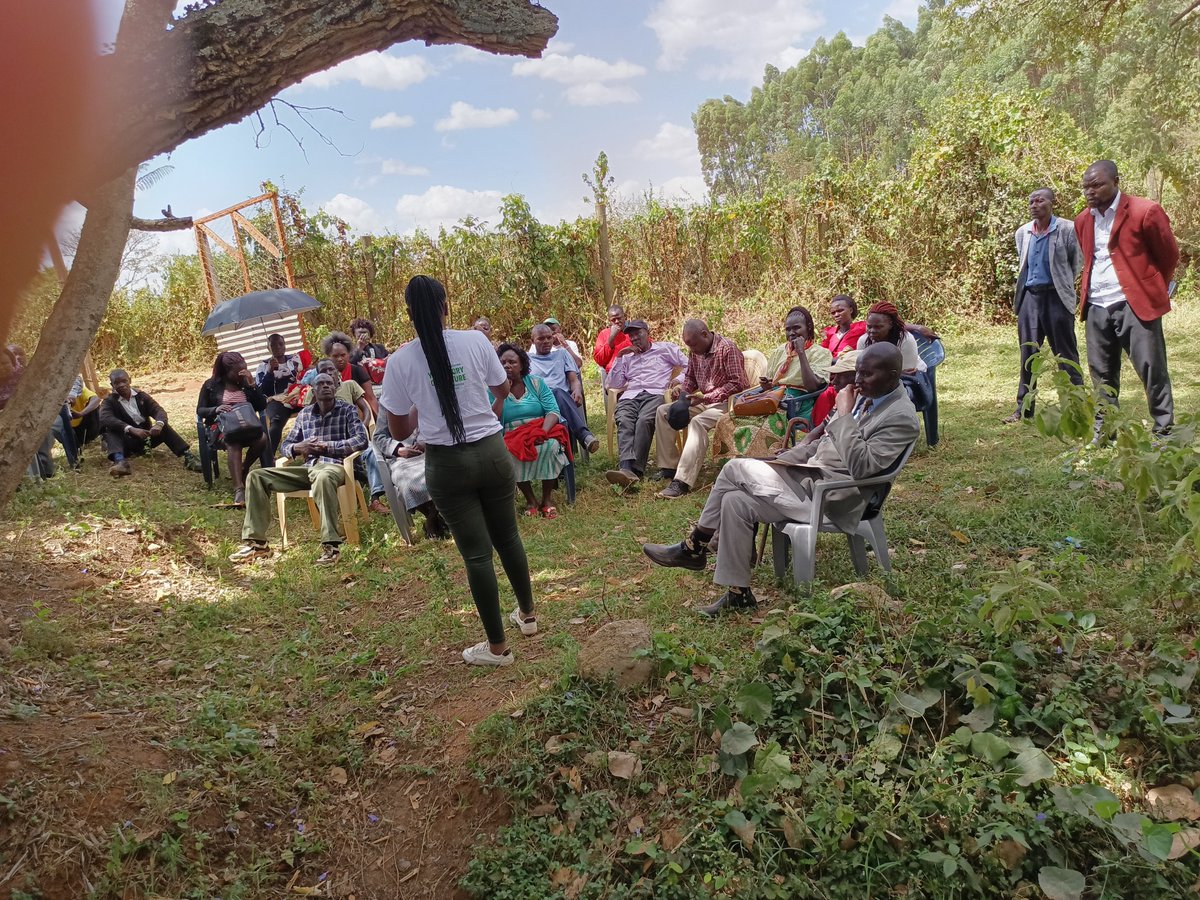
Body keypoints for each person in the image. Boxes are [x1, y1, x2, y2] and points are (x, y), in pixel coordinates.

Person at [642, 343, 919, 616]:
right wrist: (786, 457)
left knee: (733, 469)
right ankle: (738, 593)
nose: (857, 380)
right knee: (735, 501)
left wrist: (844, 415)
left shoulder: (900, 417)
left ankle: (694, 546)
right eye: (857, 372)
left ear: (893, 375)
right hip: (808, 478)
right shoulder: (866, 395)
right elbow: (822, 442)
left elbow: (864, 468)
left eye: (867, 374)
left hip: (833, 496)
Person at [380, 275, 537, 667]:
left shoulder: (399, 362)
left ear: (409, 314)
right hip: (492, 453)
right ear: (445, 306)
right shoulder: (475, 340)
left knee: (477, 556)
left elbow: (399, 430)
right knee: (509, 537)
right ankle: (528, 616)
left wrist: (422, 401)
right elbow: (501, 390)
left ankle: (498, 648)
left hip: (447, 465)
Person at [1075, 159, 1179, 436]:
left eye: (1097, 185)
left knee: (1151, 369)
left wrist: (1152, 286)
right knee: (1101, 374)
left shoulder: (1145, 211)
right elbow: (1090, 260)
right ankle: (1105, 431)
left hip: (1135, 304)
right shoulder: (1083, 220)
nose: (1090, 191)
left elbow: (1168, 256)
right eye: (1086, 186)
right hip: (1096, 304)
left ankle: (1164, 430)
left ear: (1116, 182)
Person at [230, 371, 369, 568]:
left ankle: (331, 546)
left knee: (322, 476)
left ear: (337, 387)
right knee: (256, 476)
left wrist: (328, 446)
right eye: (321, 384)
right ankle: (257, 544)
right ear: (313, 390)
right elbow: (285, 446)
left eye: (330, 383)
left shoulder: (347, 410)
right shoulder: (305, 414)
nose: (326, 386)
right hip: (308, 470)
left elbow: (361, 440)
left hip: (334, 467)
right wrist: (299, 447)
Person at [1004, 188, 1084, 423]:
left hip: (1057, 297)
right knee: (1029, 354)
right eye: (1031, 201)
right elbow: (1023, 262)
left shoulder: (1067, 229)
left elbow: (1076, 263)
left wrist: (1062, 284)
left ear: (1052, 202)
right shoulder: (1023, 232)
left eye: (1040, 200)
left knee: (1066, 354)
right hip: (1030, 299)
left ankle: (1076, 407)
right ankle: (1024, 409)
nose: (1034, 204)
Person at [654, 319, 748, 499]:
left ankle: (682, 481)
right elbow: (690, 378)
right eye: (689, 345)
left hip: (727, 404)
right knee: (663, 411)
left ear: (705, 334)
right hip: (704, 401)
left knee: (697, 423)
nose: (692, 349)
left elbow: (738, 384)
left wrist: (705, 398)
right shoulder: (695, 351)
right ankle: (669, 467)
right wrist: (683, 398)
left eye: (694, 344)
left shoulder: (727, 349)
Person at [604, 320, 688, 487]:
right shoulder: (627, 356)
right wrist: (619, 356)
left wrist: (678, 379)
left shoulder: (665, 349)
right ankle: (626, 466)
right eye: (631, 336)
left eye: (638, 333)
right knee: (624, 419)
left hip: (655, 393)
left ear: (647, 332)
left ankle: (635, 470)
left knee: (644, 421)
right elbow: (613, 384)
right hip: (630, 395)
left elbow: (689, 365)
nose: (635, 338)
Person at [494, 343, 571, 518]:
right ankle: (530, 500)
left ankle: (547, 498)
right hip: (511, 434)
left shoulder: (536, 383)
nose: (507, 366)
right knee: (510, 451)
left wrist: (542, 432)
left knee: (550, 446)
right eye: (503, 362)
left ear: (522, 364)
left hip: (540, 429)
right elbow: (493, 418)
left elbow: (553, 411)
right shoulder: (493, 389)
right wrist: (501, 394)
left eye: (512, 362)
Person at [304, 358, 387, 513]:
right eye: (323, 371)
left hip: (353, 437)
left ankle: (375, 499)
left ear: (337, 372)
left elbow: (365, 407)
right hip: (329, 443)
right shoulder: (313, 392)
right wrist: (317, 394)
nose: (329, 373)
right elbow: (307, 418)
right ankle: (333, 505)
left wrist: (363, 424)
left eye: (331, 370)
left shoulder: (349, 385)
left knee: (372, 452)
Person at [197, 351, 268, 505]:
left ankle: (243, 468)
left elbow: (262, 406)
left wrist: (253, 385)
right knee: (232, 441)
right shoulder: (211, 386)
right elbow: (200, 411)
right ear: (226, 372)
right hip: (221, 428)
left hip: (247, 426)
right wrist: (216, 409)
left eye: (244, 370)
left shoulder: (245, 384)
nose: (241, 375)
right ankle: (239, 489)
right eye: (237, 373)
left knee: (262, 438)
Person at [101, 368, 202, 477]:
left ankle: (188, 457)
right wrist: (130, 429)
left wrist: (158, 425)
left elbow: (158, 410)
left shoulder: (141, 396)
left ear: (130, 380)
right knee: (111, 431)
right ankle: (120, 462)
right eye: (117, 383)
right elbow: (105, 418)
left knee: (164, 427)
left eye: (124, 381)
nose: (121, 385)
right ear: (112, 385)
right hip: (126, 442)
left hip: (146, 438)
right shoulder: (109, 401)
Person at [372, 415, 448, 540]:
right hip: (401, 459)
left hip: (432, 449)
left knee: (444, 474)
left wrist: (426, 442)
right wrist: (399, 450)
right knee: (408, 484)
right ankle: (432, 516)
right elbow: (379, 437)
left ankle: (431, 520)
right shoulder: (388, 404)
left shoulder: (428, 396)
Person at [528, 322, 600, 453]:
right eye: (541, 338)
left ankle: (578, 440)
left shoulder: (562, 354)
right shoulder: (527, 359)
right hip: (539, 400)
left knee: (558, 393)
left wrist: (577, 390)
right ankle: (584, 436)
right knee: (555, 392)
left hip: (562, 397)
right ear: (532, 341)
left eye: (549, 337)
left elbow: (574, 379)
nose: (546, 341)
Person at [256, 333, 305, 452]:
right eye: (273, 345)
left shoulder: (294, 361)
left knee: (312, 412)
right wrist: (269, 372)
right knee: (276, 422)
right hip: (277, 401)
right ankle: (269, 456)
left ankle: (307, 447)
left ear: (285, 345)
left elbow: (304, 377)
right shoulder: (262, 366)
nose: (277, 347)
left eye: (280, 344)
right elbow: (262, 392)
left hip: (297, 397)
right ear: (268, 348)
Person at [323, 331, 379, 417]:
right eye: (335, 356)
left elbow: (370, 398)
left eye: (343, 355)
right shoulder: (324, 375)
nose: (340, 359)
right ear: (329, 357)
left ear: (348, 355)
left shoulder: (358, 371)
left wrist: (378, 421)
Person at [592, 304, 632, 381]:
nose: (617, 322)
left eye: (619, 318)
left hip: (634, 372)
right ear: (609, 321)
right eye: (613, 320)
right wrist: (611, 339)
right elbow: (599, 360)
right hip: (613, 375)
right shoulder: (604, 334)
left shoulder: (633, 331)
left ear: (624, 317)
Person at [68, 374, 101, 452]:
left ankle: (99, 434)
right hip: (70, 430)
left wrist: (81, 413)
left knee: (94, 406)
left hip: (85, 425)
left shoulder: (78, 389)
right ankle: (75, 448)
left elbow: (96, 399)